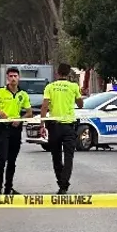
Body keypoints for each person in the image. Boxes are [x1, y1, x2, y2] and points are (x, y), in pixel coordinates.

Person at [40, 63, 84, 194]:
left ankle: (61, 182)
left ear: (57, 73)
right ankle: (64, 184)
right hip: (69, 126)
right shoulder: (73, 86)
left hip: (54, 126)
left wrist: (42, 125)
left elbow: (44, 107)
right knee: (69, 157)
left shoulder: (50, 87)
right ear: (69, 73)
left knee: (56, 156)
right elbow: (80, 104)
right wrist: (77, 95)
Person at [0, 66, 32, 195]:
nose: (13, 78)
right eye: (11, 76)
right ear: (7, 78)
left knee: (12, 160)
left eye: (15, 76)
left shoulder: (23, 94)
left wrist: (20, 120)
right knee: (2, 158)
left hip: (16, 129)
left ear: (19, 78)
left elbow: (29, 113)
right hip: (3, 128)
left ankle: (8, 188)